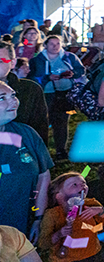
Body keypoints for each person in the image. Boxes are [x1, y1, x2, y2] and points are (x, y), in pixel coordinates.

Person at [37, 172, 104, 262]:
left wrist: (101, 211)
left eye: (84, 183)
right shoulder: (53, 215)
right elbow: (43, 243)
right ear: (59, 196)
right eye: (74, 184)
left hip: (90, 256)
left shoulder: (91, 204)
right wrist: (59, 234)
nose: (82, 186)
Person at [0, 81, 53, 242]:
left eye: (13, 95)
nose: (14, 101)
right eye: (2, 98)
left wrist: (38, 218)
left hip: (22, 228)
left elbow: (43, 176)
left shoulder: (26, 134)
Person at [28, 35, 84, 161]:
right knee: (44, 122)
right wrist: (48, 77)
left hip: (64, 93)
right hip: (46, 94)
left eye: (58, 43)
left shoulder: (69, 57)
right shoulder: (37, 59)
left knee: (62, 121)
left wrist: (72, 74)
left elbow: (81, 70)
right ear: (46, 45)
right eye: (52, 44)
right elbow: (32, 77)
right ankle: (42, 151)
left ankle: (61, 150)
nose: (55, 46)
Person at [0, 41, 49, 147]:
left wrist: (40, 156)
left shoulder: (30, 90)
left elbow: (40, 126)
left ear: (12, 63)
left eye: (0, 61)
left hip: (22, 153)